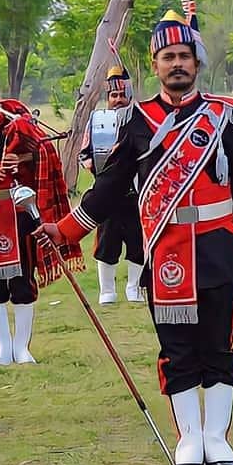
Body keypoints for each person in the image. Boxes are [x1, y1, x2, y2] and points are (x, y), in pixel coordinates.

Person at [38, 2, 233, 465]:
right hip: (164, 253)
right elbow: (110, 187)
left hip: (219, 246)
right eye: (168, 58)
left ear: (196, 63)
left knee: (219, 346)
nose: (176, 64)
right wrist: (66, 229)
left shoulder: (226, 116)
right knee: (177, 349)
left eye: (184, 56)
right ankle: (190, 440)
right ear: (155, 66)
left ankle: (218, 439)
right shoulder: (137, 121)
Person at [0, 17, 83, 366]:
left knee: (22, 278)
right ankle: (3, 347)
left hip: (19, 206)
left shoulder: (16, 117)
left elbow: (42, 147)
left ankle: (23, 346)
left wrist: (22, 152)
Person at [79, 63, 145, 304]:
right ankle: (107, 290)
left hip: (135, 194)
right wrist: (92, 166)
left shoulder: (141, 121)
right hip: (107, 194)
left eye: (121, 95)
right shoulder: (96, 121)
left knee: (138, 241)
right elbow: (84, 153)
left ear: (129, 95)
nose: (117, 100)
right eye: (113, 95)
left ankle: (133, 286)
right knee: (106, 242)